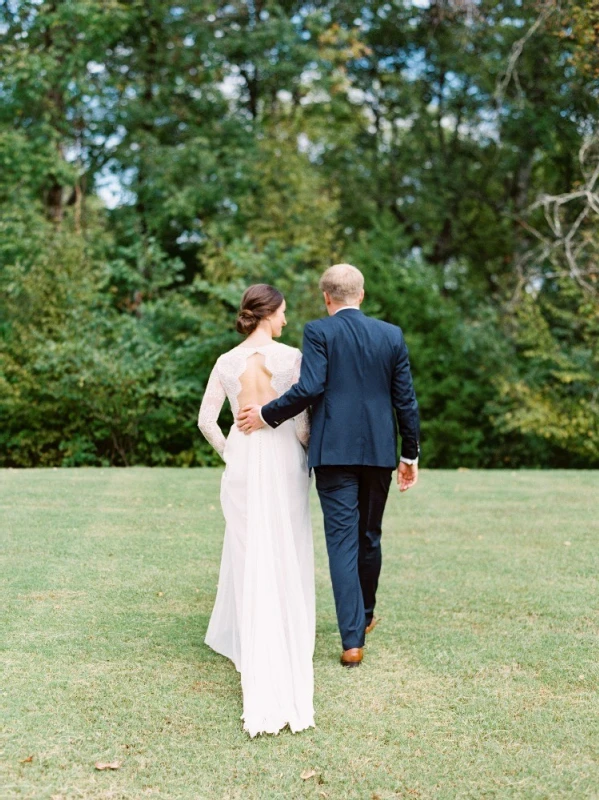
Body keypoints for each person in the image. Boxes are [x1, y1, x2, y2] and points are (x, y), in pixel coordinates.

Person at [237, 264, 420, 668]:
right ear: (362, 293)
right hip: (377, 453)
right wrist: (409, 454)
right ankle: (365, 615)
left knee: (342, 542)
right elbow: (405, 399)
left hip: (333, 452)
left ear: (326, 297)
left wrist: (267, 414)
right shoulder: (391, 335)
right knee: (369, 534)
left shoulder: (319, 331)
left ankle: (353, 640)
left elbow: (310, 387)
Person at [197, 284, 315, 737]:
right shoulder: (290, 357)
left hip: (245, 459)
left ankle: (251, 636)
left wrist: (233, 452)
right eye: (283, 312)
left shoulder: (226, 361)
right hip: (283, 457)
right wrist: (302, 449)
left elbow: (207, 419)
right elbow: (301, 420)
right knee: (287, 541)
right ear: (269, 314)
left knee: (247, 547)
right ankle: (286, 631)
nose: (286, 320)